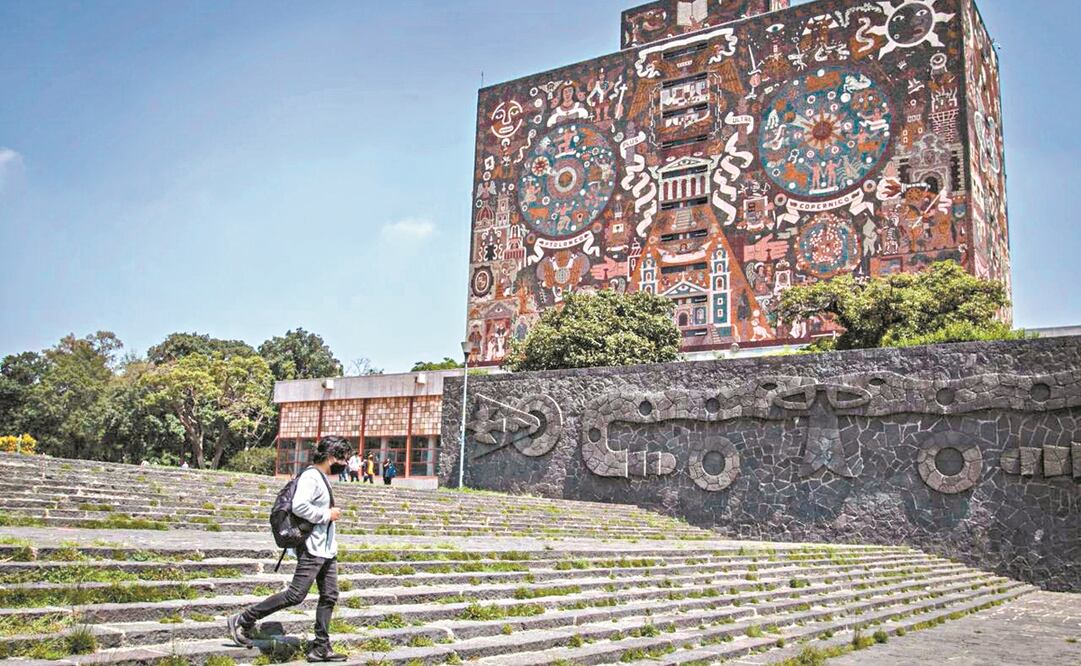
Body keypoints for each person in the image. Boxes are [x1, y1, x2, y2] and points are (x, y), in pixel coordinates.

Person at [227, 437, 350, 662]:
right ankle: (243, 619)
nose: (345, 463)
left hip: (326, 549)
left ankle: (321, 647)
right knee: (295, 595)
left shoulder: (320, 477)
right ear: (331, 457)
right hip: (312, 548)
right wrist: (327, 515)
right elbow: (299, 505)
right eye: (343, 458)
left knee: (330, 595)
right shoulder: (311, 477)